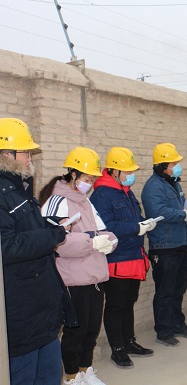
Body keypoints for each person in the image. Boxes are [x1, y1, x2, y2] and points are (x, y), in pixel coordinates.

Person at [0, 118, 74, 385]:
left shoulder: (19, 188)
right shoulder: (3, 192)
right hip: (22, 311)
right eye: (26, 152)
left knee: (50, 374)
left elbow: (27, 228)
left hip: (42, 307)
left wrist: (50, 224)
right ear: (6, 154)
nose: (30, 157)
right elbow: (7, 246)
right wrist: (53, 235)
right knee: (25, 376)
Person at [39, 146, 117, 385]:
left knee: (91, 330)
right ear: (73, 174)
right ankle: (72, 377)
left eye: (92, 179)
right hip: (73, 279)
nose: (90, 184)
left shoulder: (85, 202)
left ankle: (86, 371)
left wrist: (109, 242)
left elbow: (104, 231)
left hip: (94, 276)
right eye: (87, 178)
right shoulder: (56, 201)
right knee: (75, 331)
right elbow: (55, 241)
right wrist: (91, 242)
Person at [89, 147, 156, 368]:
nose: (130, 175)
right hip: (116, 258)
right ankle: (117, 348)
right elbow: (106, 226)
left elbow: (133, 217)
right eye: (127, 171)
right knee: (116, 305)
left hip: (133, 255)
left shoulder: (125, 191)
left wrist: (145, 222)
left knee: (128, 302)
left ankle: (129, 341)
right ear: (114, 171)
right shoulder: (102, 194)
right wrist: (136, 228)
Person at [141, 143, 187, 347]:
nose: (177, 166)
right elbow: (158, 212)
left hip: (179, 243)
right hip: (164, 247)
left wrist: (186, 210)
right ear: (163, 166)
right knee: (165, 291)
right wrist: (182, 214)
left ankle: (177, 324)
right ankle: (164, 331)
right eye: (174, 163)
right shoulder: (153, 187)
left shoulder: (174, 183)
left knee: (178, 289)